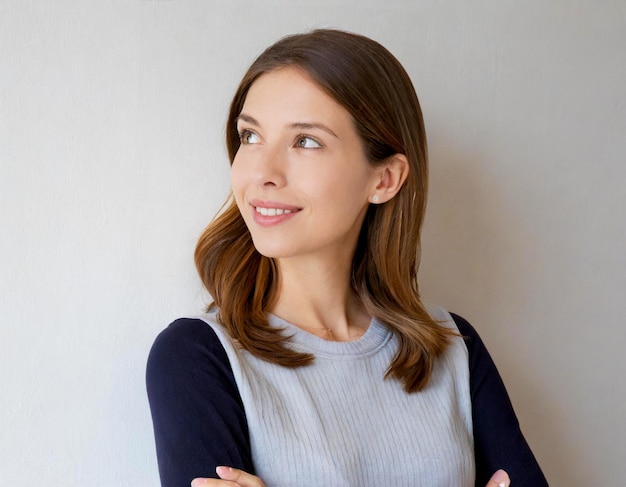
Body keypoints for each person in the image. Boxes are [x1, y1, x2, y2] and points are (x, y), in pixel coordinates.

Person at [146, 29, 548, 487]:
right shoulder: (199, 359)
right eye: (250, 135)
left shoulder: (453, 347)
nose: (261, 172)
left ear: (385, 179)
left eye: (306, 141)